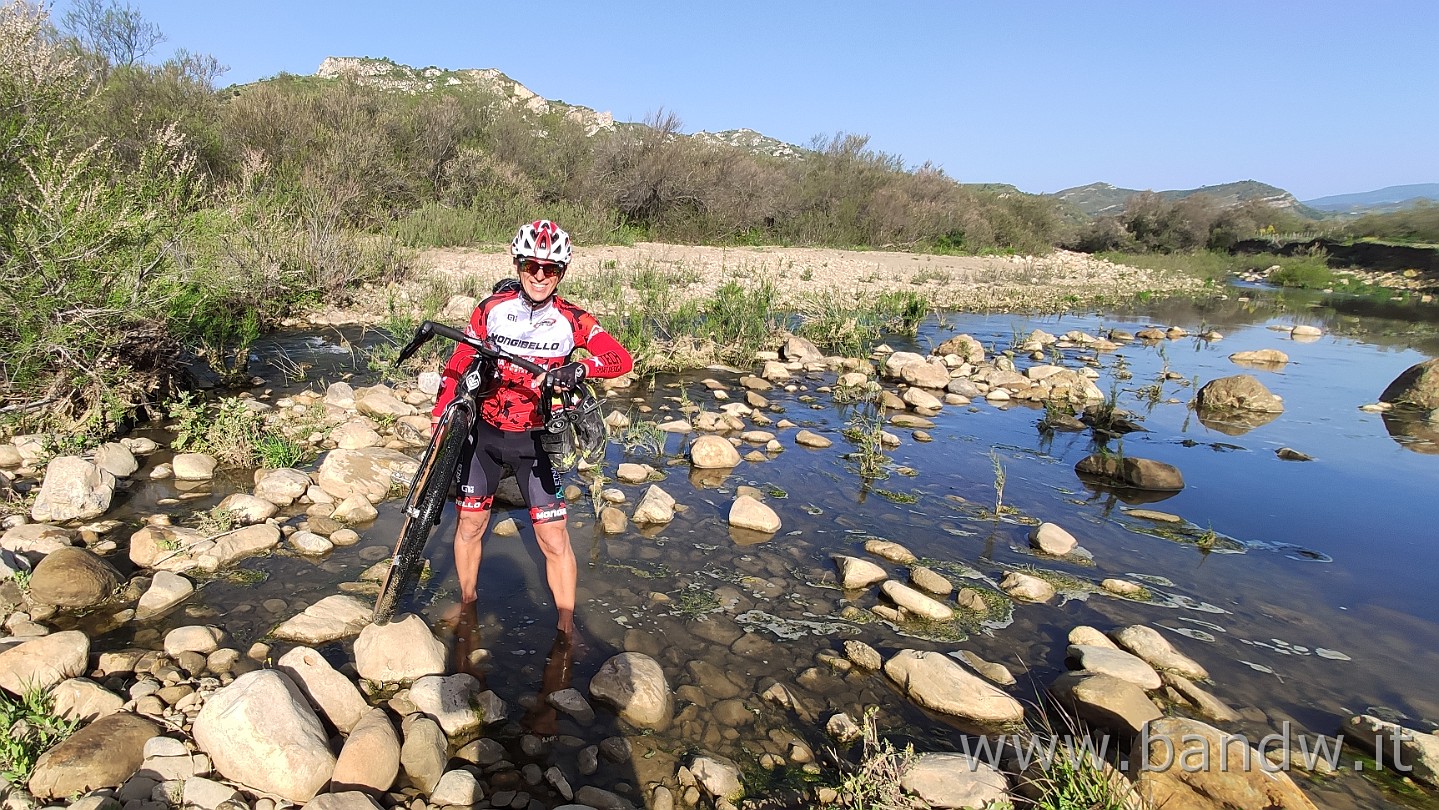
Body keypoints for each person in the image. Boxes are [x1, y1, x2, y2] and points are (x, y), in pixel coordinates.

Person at [430, 220, 632, 635]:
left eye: (551, 269)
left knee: (553, 539)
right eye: (531, 266)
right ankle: (468, 605)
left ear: (562, 272)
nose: (540, 276)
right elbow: (457, 365)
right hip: (485, 434)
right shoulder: (490, 309)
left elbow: (620, 358)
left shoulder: (572, 319)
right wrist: (439, 415)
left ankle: (566, 626)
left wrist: (581, 366)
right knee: (470, 526)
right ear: (519, 264)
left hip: (538, 439)